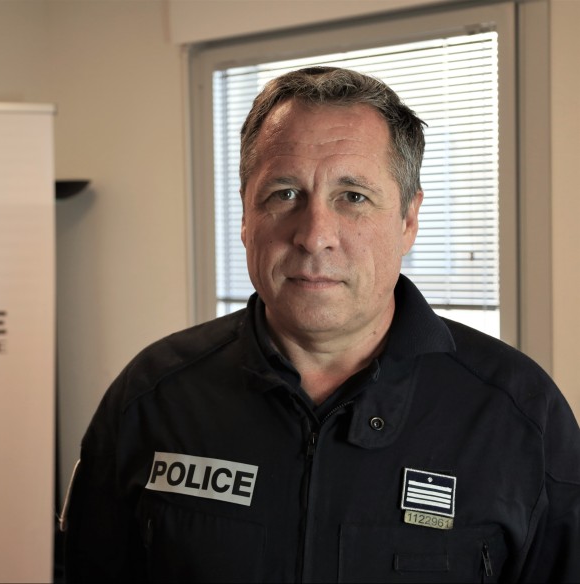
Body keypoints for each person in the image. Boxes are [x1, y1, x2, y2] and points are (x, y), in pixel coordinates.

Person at [62, 67, 580, 582]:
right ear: (245, 215)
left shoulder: (519, 416)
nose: (313, 236)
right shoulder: (153, 398)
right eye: (284, 193)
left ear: (408, 220)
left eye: (353, 196)